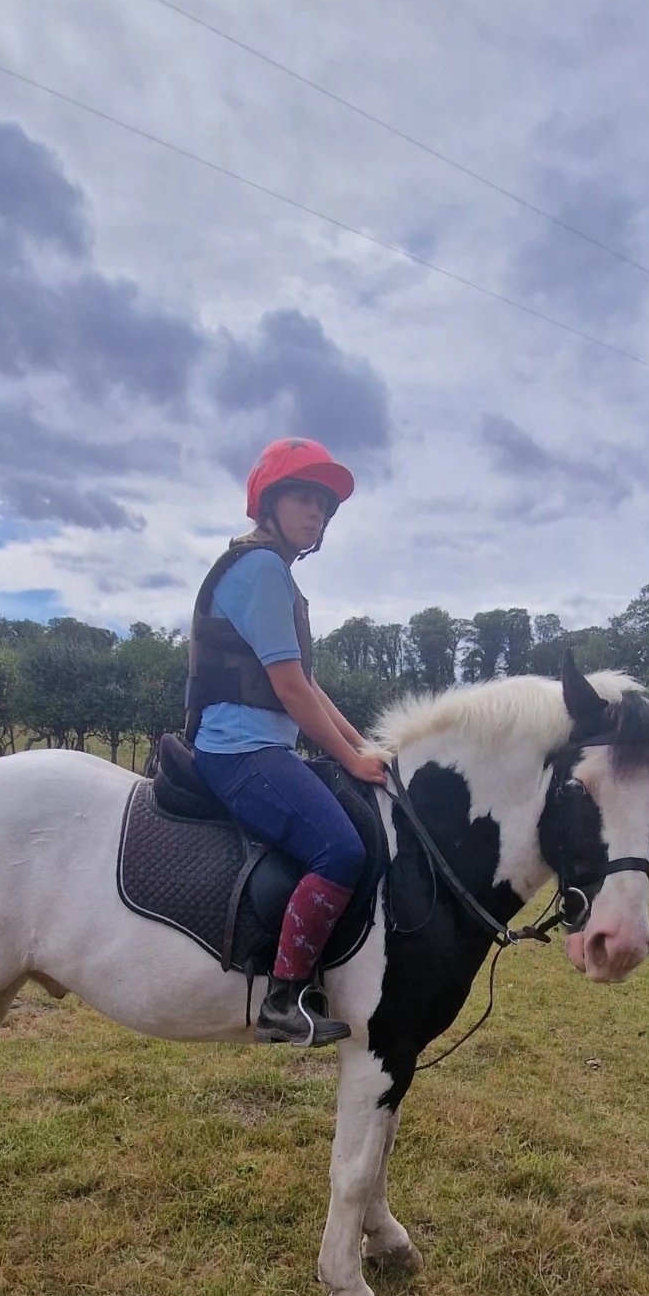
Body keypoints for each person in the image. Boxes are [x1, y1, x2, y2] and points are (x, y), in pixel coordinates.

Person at [186, 438, 387, 1046]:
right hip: (239, 752)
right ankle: (283, 996)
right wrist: (348, 758)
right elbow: (291, 689)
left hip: (263, 746)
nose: (317, 514)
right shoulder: (262, 570)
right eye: (304, 498)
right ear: (269, 503)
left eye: (324, 506)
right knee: (340, 850)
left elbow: (309, 686)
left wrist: (367, 745)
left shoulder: (272, 573)